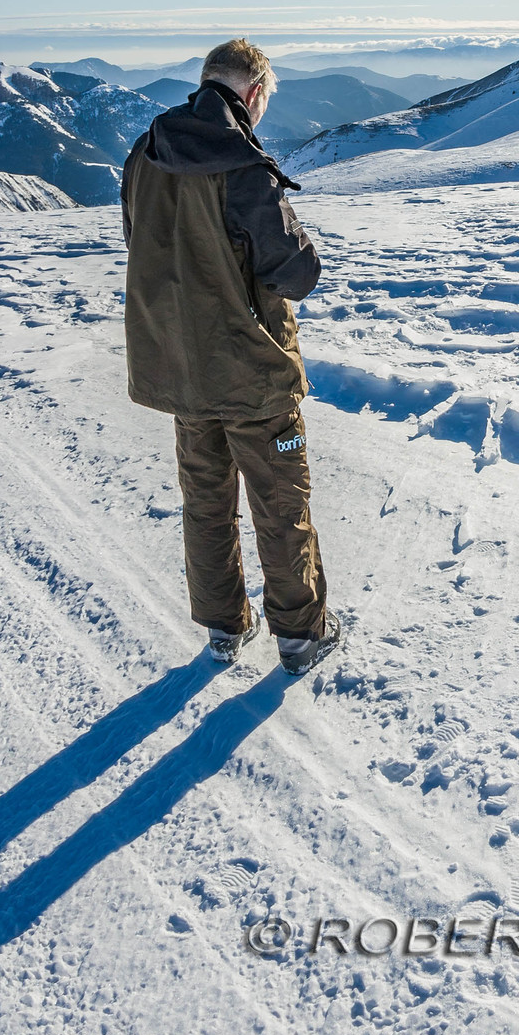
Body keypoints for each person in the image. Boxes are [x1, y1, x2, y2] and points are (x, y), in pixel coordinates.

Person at [121, 37, 341, 673]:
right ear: (254, 92)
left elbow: (141, 239)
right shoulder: (241, 164)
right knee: (280, 503)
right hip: (251, 371)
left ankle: (223, 627)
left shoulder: (146, 151)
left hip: (179, 365)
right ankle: (300, 635)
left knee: (206, 500)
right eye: (265, 100)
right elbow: (295, 272)